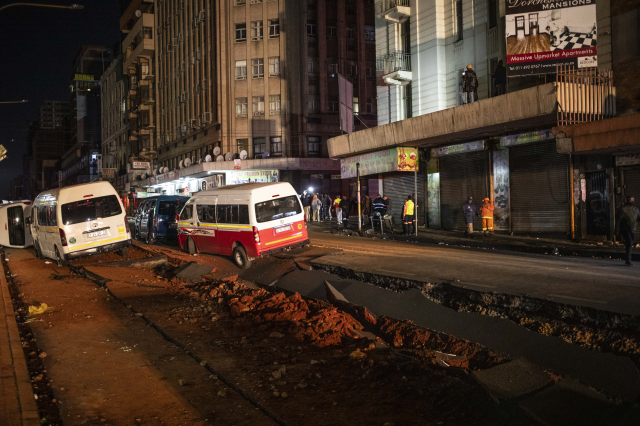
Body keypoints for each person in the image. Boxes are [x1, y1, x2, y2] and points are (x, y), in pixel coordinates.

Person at [616, 196, 640, 266]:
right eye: (631, 200)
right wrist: (617, 231)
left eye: (632, 200)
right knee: (629, 243)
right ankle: (628, 260)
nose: (632, 201)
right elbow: (618, 221)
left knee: (630, 244)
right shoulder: (623, 209)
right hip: (626, 229)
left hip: (632, 229)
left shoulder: (635, 209)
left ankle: (628, 259)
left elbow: (638, 218)